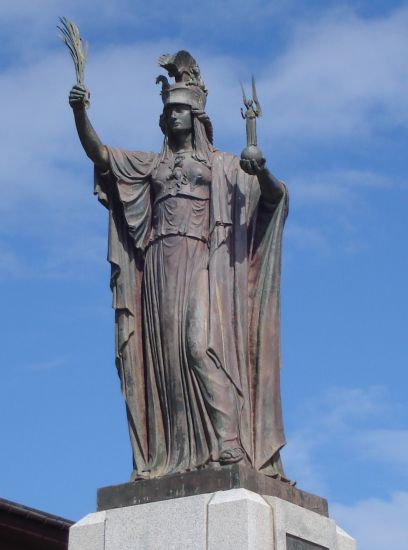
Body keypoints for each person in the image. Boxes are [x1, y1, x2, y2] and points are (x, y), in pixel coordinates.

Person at [69, 51, 289, 480]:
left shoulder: (224, 166)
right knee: (165, 358)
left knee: (198, 342)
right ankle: (178, 453)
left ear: (197, 116)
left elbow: (274, 197)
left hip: (206, 262)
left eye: (180, 110)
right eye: (167, 111)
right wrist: (80, 111)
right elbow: (100, 155)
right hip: (157, 267)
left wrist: (260, 170)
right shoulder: (152, 166)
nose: (172, 117)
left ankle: (229, 442)